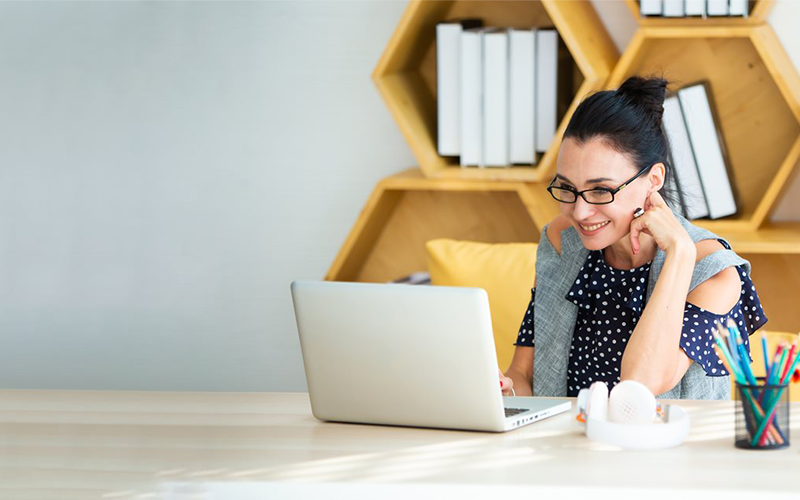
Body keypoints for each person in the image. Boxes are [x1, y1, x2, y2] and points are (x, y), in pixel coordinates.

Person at [498, 76, 767, 400]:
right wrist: (503, 390)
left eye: (600, 190)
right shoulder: (562, 242)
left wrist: (680, 252)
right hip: (566, 446)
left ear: (653, 179)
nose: (580, 212)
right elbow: (525, 374)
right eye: (568, 188)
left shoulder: (713, 272)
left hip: (666, 449)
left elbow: (642, 382)